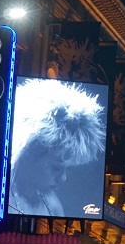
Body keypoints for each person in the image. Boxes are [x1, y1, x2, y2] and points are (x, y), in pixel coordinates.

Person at [8, 79, 106, 216]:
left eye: (68, 169)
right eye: (56, 167)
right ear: (28, 153)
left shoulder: (53, 206)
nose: (63, 178)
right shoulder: (1, 197)